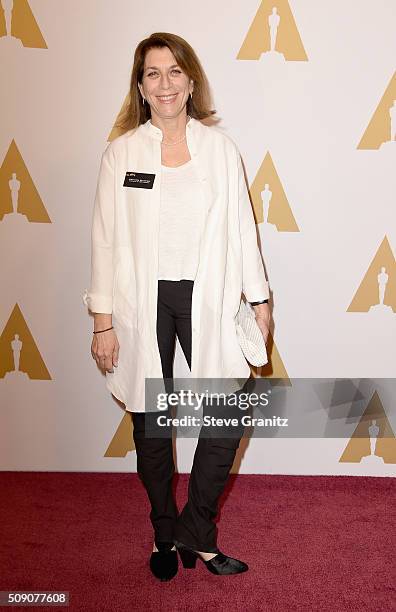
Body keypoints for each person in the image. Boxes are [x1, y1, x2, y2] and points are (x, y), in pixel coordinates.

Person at [83, 32, 271, 581]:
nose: (164, 84)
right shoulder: (121, 153)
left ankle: (198, 531)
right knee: (151, 421)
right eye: (152, 74)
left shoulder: (220, 150)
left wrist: (258, 298)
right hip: (142, 300)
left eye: (173, 72)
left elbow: (243, 231)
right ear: (140, 87)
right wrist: (103, 322)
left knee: (229, 408)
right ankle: (165, 530)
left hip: (208, 294)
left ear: (191, 81)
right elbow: (103, 239)